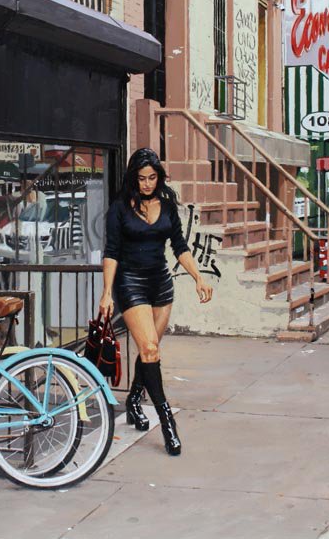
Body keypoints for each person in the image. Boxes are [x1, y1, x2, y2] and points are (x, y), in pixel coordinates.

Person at [98, 148, 213, 455]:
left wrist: (198, 276)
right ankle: (166, 423)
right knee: (148, 348)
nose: (147, 184)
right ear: (133, 177)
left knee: (151, 352)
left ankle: (135, 399)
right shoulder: (120, 208)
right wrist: (107, 291)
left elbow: (179, 245)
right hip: (130, 282)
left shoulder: (167, 204)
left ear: (158, 176)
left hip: (160, 283)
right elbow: (111, 251)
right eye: (141, 178)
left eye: (152, 177)